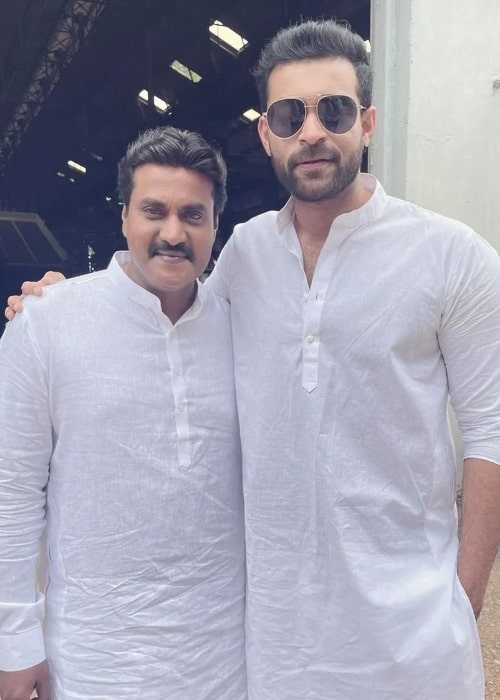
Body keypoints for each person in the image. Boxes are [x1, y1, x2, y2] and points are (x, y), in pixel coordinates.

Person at [6, 18, 500, 700]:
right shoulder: (244, 256)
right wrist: (63, 301)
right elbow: (160, 303)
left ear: (370, 122)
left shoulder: (455, 257)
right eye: (290, 115)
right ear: (266, 132)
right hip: (272, 644)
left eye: (335, 110)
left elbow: (492, 433)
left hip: (410, 642)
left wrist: (461, 602)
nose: (313, 133)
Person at [0, 126, 246, 700]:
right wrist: (14, 638)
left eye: (193, 215)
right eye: (153, 210)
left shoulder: (247, 326)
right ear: (124, 218)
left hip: (225, 658)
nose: (172, 233)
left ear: (216, 226)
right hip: (94, 659)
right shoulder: (47, 323)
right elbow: (11, 488)